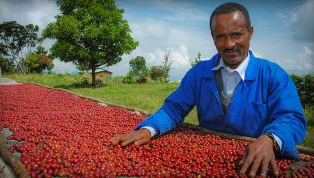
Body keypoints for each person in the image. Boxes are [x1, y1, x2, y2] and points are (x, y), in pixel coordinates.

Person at [110, 2, 306, 177]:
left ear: (250, 33)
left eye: (236, 34)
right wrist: (148, 129)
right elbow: (174, 108)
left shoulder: (272, 75)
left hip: (253, 162)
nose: (229, 44)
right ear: (213, 39)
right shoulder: (199, 73)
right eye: (220, 37)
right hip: (206, 159)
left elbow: (292, 118)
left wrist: (270, 139)